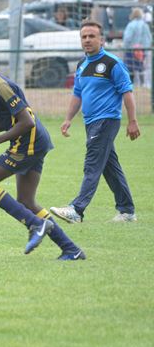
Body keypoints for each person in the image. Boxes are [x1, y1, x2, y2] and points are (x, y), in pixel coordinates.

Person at [0, 44, 85, 260]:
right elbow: (5, 121)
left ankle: (35, 224)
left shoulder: (0, 86)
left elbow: (26, 122)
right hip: (35, 141)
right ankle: (71, 249)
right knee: (26, 201)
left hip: (28, 143)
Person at [50, 21, 141, 224]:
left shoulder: (112, 63)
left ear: (102, 39)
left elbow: (127, 92)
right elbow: (77, 94)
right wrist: (68, 119)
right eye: (84, 37)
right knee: (110, 167)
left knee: (92, 163)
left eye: (92, 36)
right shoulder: (82, 64)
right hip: (90, 122)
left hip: (106, 120)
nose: (87, 40)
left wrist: (133, 121)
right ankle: (127, 211)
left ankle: (77, 210)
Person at [122, 7, 152, 88]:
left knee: (130, 69)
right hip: (142, 51)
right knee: (141, 68)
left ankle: (131, 87)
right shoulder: (145, 25)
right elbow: (149, 38)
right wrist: (145, 50)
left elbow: (127, 38)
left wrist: (125, 47)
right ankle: (143, 86)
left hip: (131, 51)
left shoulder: (130, 25)